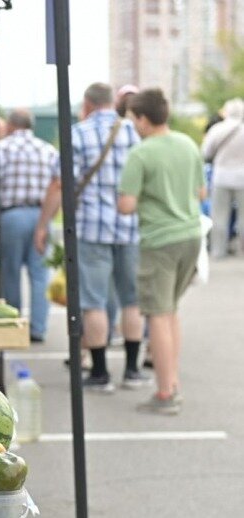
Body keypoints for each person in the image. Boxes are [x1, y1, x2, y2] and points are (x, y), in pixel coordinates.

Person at [34, 83, 149, 392]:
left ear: (86, 104)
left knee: (94, 302)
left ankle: (99, 373)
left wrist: (43, 224)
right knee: (133, 300)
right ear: (112, 103)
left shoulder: (77, 133)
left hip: (90, 229)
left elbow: (60, 185)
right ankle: (132, 371)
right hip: (131, 227)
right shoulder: (135, 132)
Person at [118, 88, 206, 415]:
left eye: (134, 119)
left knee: (156, 314)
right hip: (191, 234)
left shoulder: (141, 153)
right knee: (169, 312)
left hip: (159, 240)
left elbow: (126, 205)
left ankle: (166, 393)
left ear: (143, 118)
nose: (134, 126)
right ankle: (174, 381)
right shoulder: (187, 144)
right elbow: (201, 190)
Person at [0, 108, 58, 342]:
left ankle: (14, 326)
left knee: (10, 272)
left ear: (11, 125)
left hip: (11, 216)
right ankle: (38, 328)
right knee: (39, 274)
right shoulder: (48, 150)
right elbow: (59, 185)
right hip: (41, 216)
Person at [201, 97, 244, 259]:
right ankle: (241, 250)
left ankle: (218, 251)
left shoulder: (217, 129)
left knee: (219, 215)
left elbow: (206, 152)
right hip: (242, 177)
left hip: (221, 176)